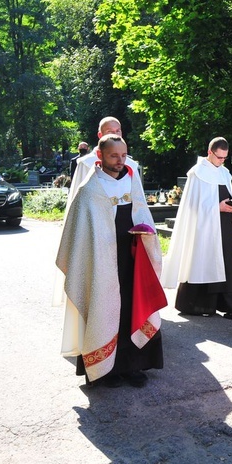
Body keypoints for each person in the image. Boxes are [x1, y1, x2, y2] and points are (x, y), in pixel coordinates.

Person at [55, 134, 166, 388]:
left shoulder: (131, 181)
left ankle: (132, 365)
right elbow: (78, 237)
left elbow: (142, 214)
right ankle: (107, 369)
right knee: (106, 310)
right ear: (100, 156)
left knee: (130, 307)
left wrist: (146, 234)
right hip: (101, 264)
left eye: (124, 155)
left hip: (132, 258)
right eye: (114, 156)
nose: (120, 161)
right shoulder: (89, 191)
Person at [161, 137, 232, 323]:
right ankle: (197, 305)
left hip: (224, 224)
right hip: (203, 227)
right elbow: (191, 205)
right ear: (210, 153)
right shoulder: (197, 173)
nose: (222, 161)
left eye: (225, 158)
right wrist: (215, 207)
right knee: (203, 261)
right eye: (219, 157)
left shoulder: (225, 173)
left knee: (227, 263)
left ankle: (231, 308)